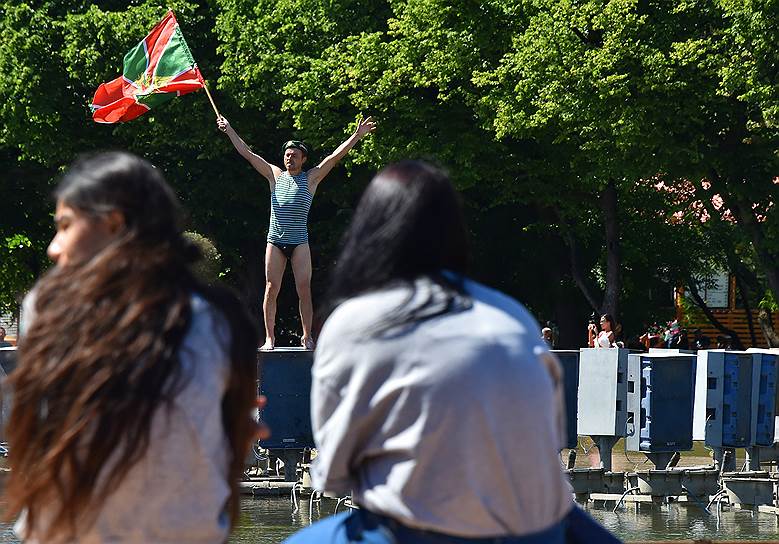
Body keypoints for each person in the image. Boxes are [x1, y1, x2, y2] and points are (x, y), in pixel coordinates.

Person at [285, 161, 619, 543]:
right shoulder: (512, 315)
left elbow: (333, 474)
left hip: (413, 530)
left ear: (367, 232)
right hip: (539, 526)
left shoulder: (354, 323)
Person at [4, 152, 263, 543]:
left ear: (113, 224)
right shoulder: (220, 319)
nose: (54, 248)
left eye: (65, 225)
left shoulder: (50, 306)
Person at [217, 115, 377, 350]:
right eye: (287, 155)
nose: (289, 158)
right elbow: (248, 154)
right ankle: (270, 338)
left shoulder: (311, 178)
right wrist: (229, 129)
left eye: (294, 155)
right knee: (271, 288)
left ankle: (306, 337)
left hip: (299, 242)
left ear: (303, 159)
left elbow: (333, 158)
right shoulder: (275, 175)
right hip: (275, 241)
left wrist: (356, 136)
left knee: (304, 288)